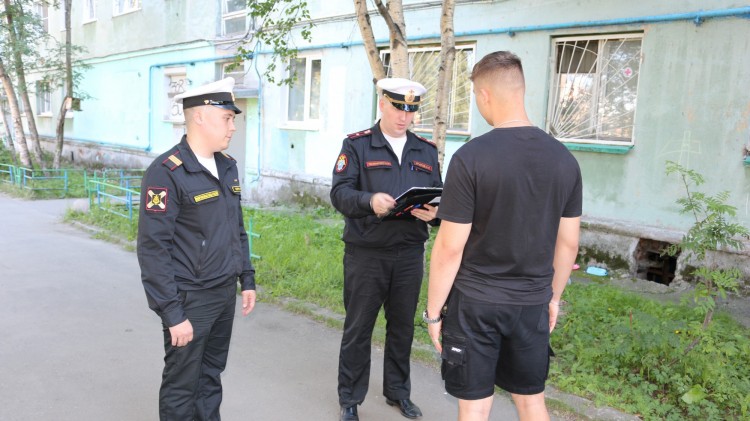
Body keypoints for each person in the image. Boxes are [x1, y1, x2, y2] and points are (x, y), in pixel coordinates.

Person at [425, 51, 582, 421]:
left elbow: (449, 247)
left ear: (484, 95)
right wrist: (553, 297)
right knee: (531, 401)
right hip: (530, 305)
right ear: (521, 91)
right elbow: (569, 244)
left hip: (476, 304)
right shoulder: (564, 160)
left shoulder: (471, 157)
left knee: (476, 406)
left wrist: (433, 314)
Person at [136, 77, 257, 420]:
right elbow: (152, 249)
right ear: (201, 117)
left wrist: (246, 278)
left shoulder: (226, 165)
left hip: (222, 293)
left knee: (210, 376)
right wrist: (172, 313)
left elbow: (236, 227)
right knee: (181, 385)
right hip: (189, 297)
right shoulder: (166, 172)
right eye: (227, 118)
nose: (233, 126)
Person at [330, 78, 442, 421]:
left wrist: (436, 214)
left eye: (411, 110)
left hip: (409, 254)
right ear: (382, 104)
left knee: (402, 329)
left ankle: (397, 393)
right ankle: (350, 398)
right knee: (359, 329)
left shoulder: (426, 150)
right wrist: (369, 201)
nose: (404, 117)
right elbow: (339, 194)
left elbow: (441, 198)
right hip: (367, 254)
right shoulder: (357, 146)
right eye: (398, 108)